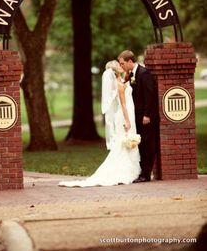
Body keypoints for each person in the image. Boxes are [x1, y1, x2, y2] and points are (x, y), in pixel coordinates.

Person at [58, 60, 141, 187]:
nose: (121, 66)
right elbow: (123, 104)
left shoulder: (123, 81)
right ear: (115, 71)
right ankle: (124, 170)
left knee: (124, 141)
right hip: (125, 115)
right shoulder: (119, 84)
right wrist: (127, 120)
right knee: (124, 141)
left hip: (128, 113)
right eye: (119, 65)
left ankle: (130, 168)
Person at [118, 50, 159, 182]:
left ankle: (146, 174)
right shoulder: (132, 74)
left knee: (148, 144)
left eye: (122, 63)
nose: (121, 66)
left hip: (145, 117)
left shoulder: (144, 73)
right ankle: (142, 172)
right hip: (137, 116)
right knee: (141, 144)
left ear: (130, 61)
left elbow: (150, 95)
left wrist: (147, 115)